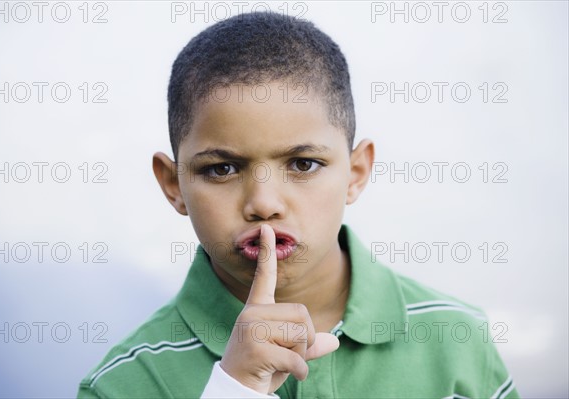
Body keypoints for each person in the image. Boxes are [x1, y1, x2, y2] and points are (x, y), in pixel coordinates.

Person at [77, 12, 519, 398]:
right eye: (221, 170)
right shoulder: (124, 383)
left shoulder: (457, 341)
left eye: (303, 163)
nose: (264, 204)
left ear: (356, 172)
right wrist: (234, 390)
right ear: (173, 185)